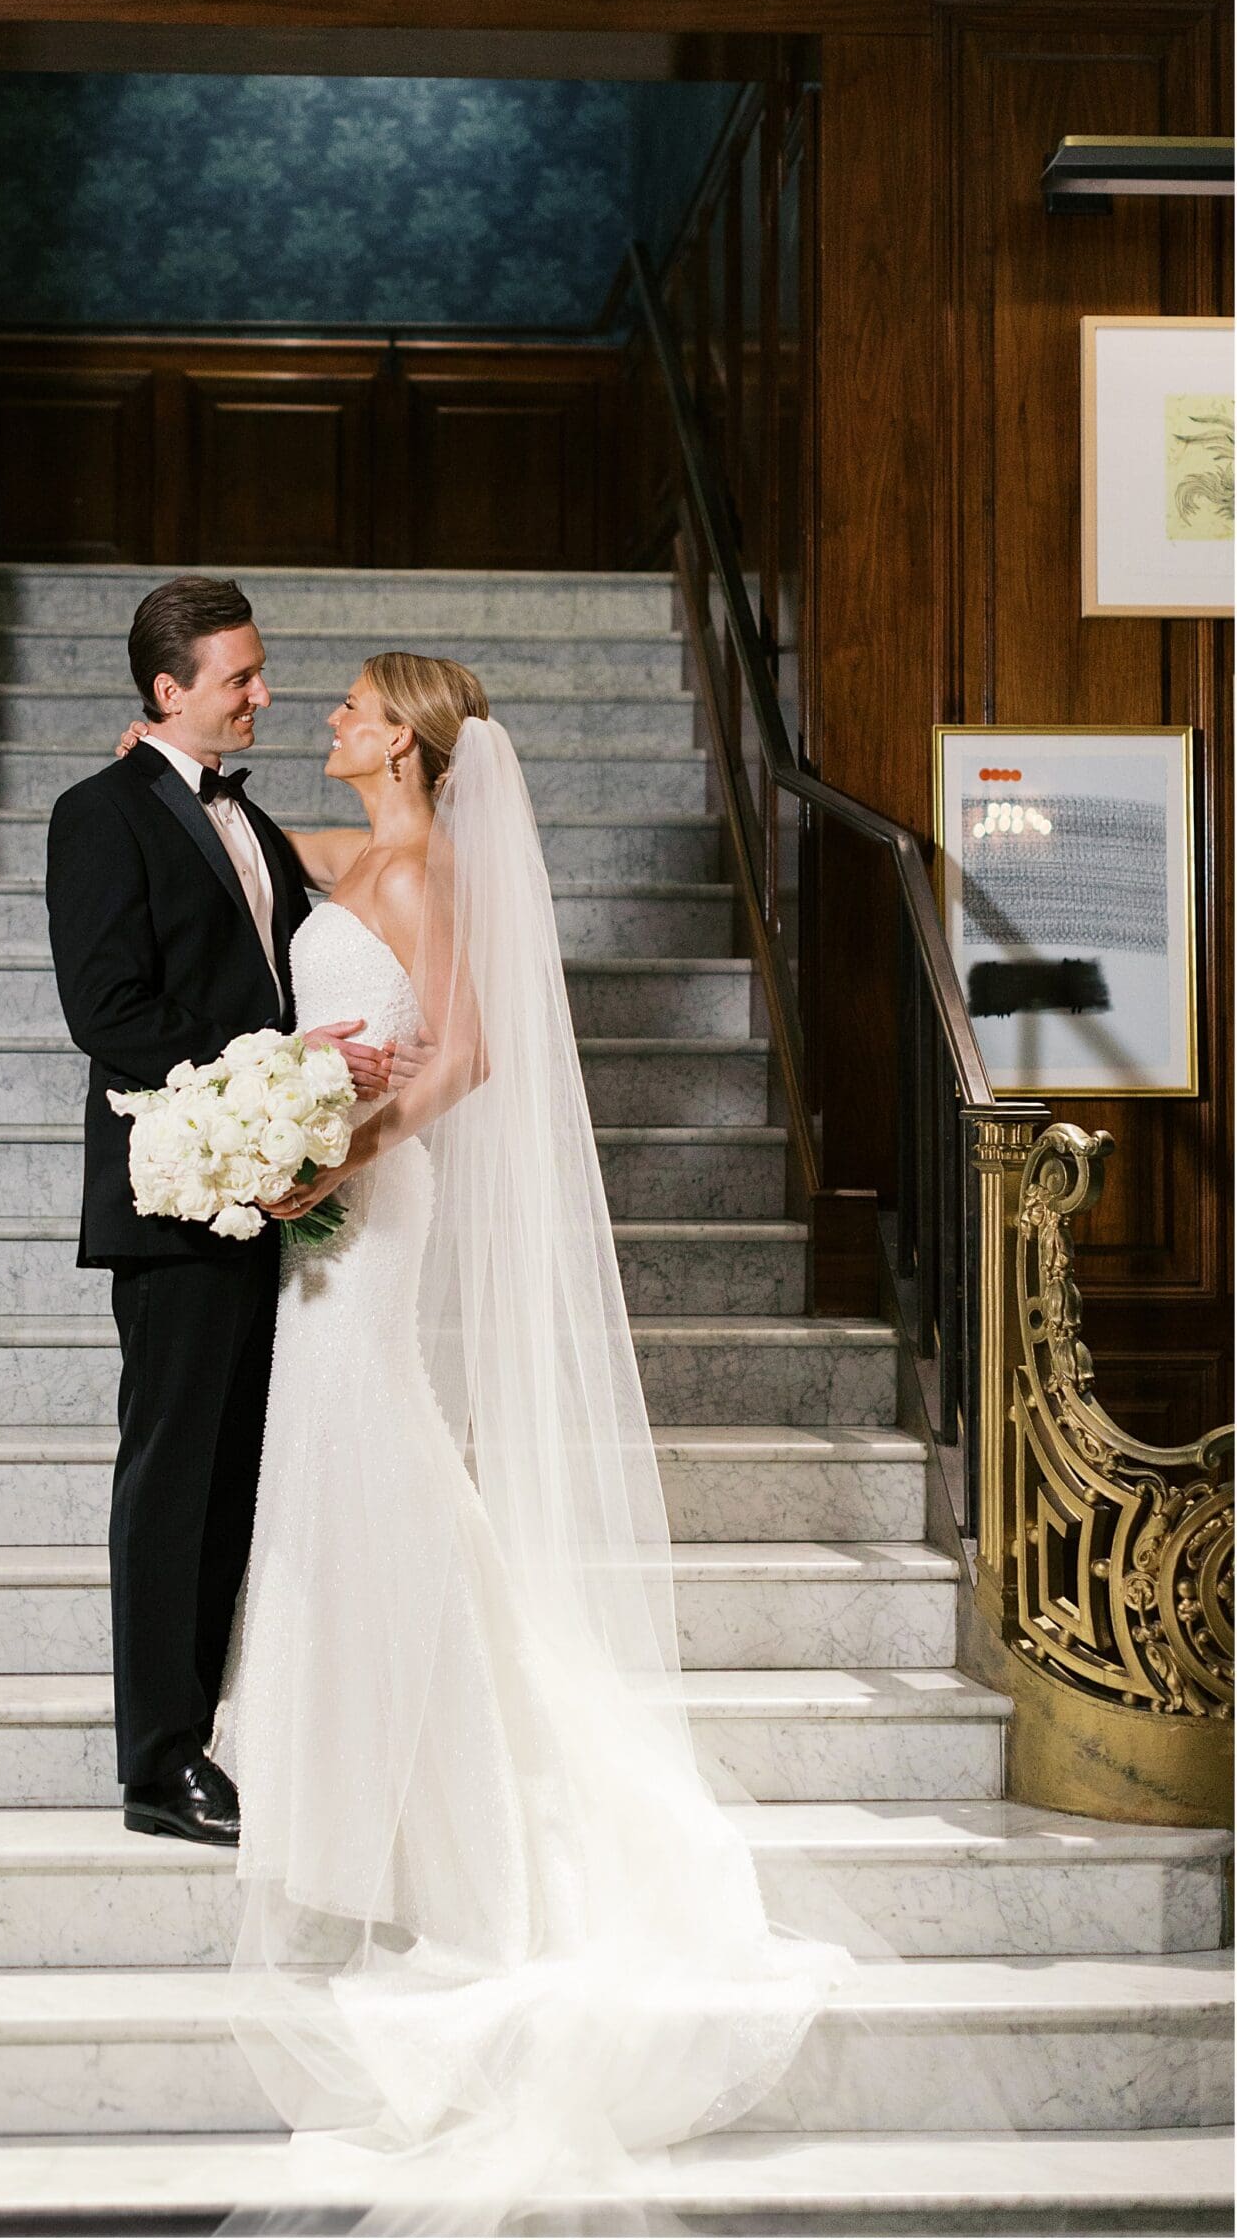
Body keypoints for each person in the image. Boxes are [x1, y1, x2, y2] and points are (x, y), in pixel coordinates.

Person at [117, 654, 853, 2224]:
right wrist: (173, 753)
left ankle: (436, 1795)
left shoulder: (427, 867)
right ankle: (347, 1777)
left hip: (371, 1212)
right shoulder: (356, 850)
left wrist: (332, 1149)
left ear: (408, 740)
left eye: (355, 709)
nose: (326, 717)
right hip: (335, 1198)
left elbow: (468, 1054)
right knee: (340, 1463)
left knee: (375, 1449)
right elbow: (245, 835)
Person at [45, 576, 395, 1850]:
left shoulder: (252, 820)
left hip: (270, 1192)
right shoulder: (99, 814)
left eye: (260, 670)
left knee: (237, 1479)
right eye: (241, 676)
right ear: (167, 689)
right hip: (178, 1194)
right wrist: (294, 1067)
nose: (263, 693)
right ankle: (158, 1761)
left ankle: (213, 1725)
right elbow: (112, 1017)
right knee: (172, 1479)